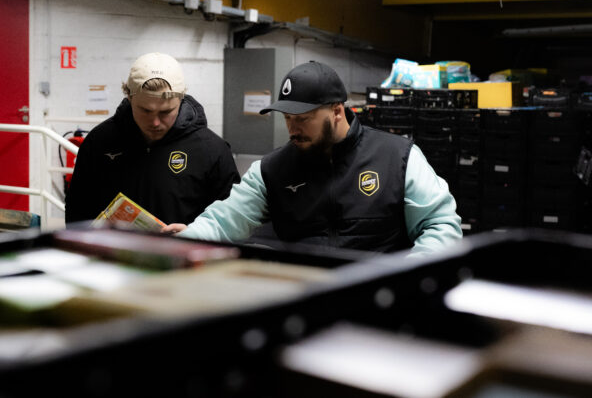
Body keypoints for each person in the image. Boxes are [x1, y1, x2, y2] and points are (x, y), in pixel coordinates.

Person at [163, 61, 462, 257]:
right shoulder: (272, 171)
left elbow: (441, 226)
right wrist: (191, 236)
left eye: (303, 119)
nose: (293, 128)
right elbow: (224, 221)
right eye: (288, 118)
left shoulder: (398, 157)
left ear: (336, 111)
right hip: (308, 302)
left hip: (380, 301)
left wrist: (406, 273)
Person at [65, 52, 240, 225]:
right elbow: (77, 211)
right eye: (145, 111)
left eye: (166, 112)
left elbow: (231, 220)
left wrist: (195, 234)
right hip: (112, 252)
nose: (155, 122)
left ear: (181, 100)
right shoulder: (100, 142)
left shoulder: (211, 150)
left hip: (184, 252)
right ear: (129, 97)